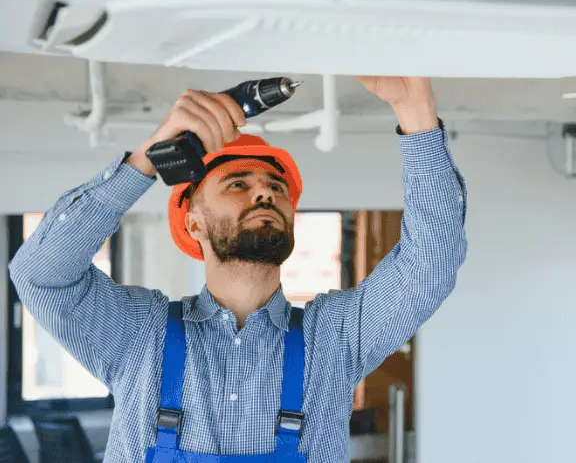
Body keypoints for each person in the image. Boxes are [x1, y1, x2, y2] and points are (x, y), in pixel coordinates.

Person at [8, 75, 468, 463]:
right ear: (193, 222)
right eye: (237, 184)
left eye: (275, 186)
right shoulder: (138, 334)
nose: (265, 194)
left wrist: (416, 111)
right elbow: (42, 274)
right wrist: (148, 158)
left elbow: (430, 263)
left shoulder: (336, 337)